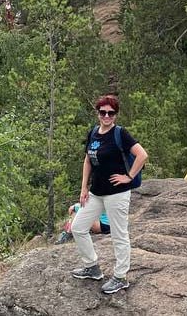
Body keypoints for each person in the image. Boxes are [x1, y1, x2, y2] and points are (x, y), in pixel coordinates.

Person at [70, 94, 148, 295]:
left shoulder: (120, 134)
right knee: (78, 228)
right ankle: (92, 267)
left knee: (119, 234)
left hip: (117, 194)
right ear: (97, 113)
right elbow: (88, 160)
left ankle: (120, 277)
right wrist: (83, 187)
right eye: (103, 112)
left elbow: (142, 155)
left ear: (115, 114)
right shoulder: (93, 133)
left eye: (111, 112)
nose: (106, 116)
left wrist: (129, 176)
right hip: (96, 192)